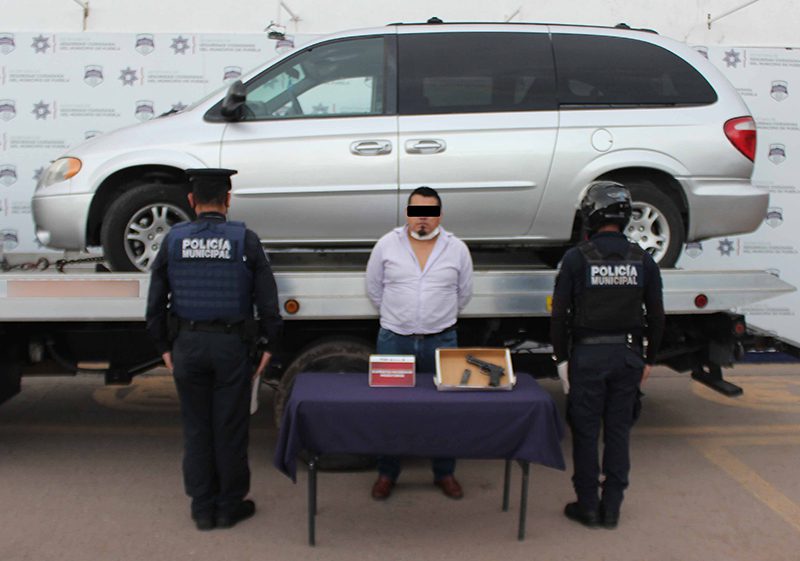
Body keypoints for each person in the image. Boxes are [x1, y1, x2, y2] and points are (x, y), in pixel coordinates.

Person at [146, 168, 282, 531]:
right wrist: (269, 345)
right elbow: (268, 303)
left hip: (187, 346)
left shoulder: (173, 240)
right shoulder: (245, 240)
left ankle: (202, 508)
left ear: (191, 201)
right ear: (228, 200)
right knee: (230, 428)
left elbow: (155, 302)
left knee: (196, 429)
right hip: (231, 348)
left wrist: (163, 346)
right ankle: (228, 506)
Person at [550, 181, 664, 529]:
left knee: (585, 434)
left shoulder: (576, 258)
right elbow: (657, 316)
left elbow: (559, 315)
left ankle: (587, 505)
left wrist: (561, 360)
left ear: (591, 214)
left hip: (587, 357)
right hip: (627, 357)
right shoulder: (643, 259)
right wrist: (649, 359)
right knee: (618, 433)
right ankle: (612, 508)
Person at [366, 186, 474, 501]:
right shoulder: (387, 245)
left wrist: (434, 318)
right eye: (416, 211)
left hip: (441, 341)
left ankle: (444, 472)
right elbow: (374, 288)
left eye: (429, 212)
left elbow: (464, 294)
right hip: (394, 341)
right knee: (390, 409)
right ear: (407, 214)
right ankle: (387, 473)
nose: (422, 218)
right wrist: (399, 318)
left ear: (439, 215)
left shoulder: (457, 249)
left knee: (444, 410)